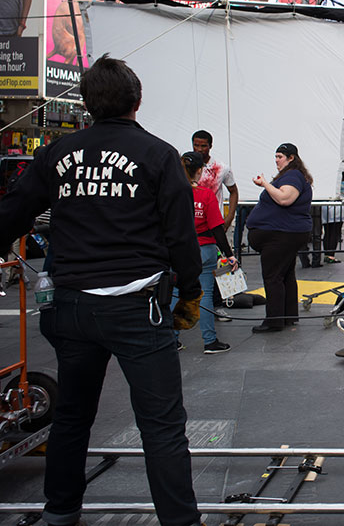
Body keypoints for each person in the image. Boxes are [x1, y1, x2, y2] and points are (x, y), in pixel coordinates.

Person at [0, 55, 203, 526]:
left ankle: (60, 511)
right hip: (135, 305)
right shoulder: (157, 154)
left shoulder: (56, 153)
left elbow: (14, 212)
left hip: (70, 305)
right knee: (162, 426)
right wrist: (190, 292)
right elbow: (180, 236)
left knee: (72, 415)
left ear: (87, 104)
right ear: (137, 101)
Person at [245, 143, 313, 332]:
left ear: (291, 158)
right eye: (275, 156)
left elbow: (285, 199)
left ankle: (274, 320)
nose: (276, 160)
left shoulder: (292, 176)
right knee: (285, 274)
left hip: (281, 234)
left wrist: (265, 183)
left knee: (273, 276)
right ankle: (287, 316)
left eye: (280, 157)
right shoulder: (292, 176)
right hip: (284, 234)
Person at [178, 150, 236, 354]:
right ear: (200, 171)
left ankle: (171, 339)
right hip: (204, 249)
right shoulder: (205, 195)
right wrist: (229, 254)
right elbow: (217, 229)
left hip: (178, 250)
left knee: (177, 292)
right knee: (206, 294)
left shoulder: (171, 194)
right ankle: (210, 341)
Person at [191, 130, 239, 318]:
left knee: (219, 266)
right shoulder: (185, 165)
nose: (200, 149)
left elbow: (234, 191)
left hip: (212, 225)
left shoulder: (221, 168)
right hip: (190, 227)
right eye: (196, 145)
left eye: (203, 145)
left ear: (210, 146)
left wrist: (229, 217)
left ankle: (217, 305)